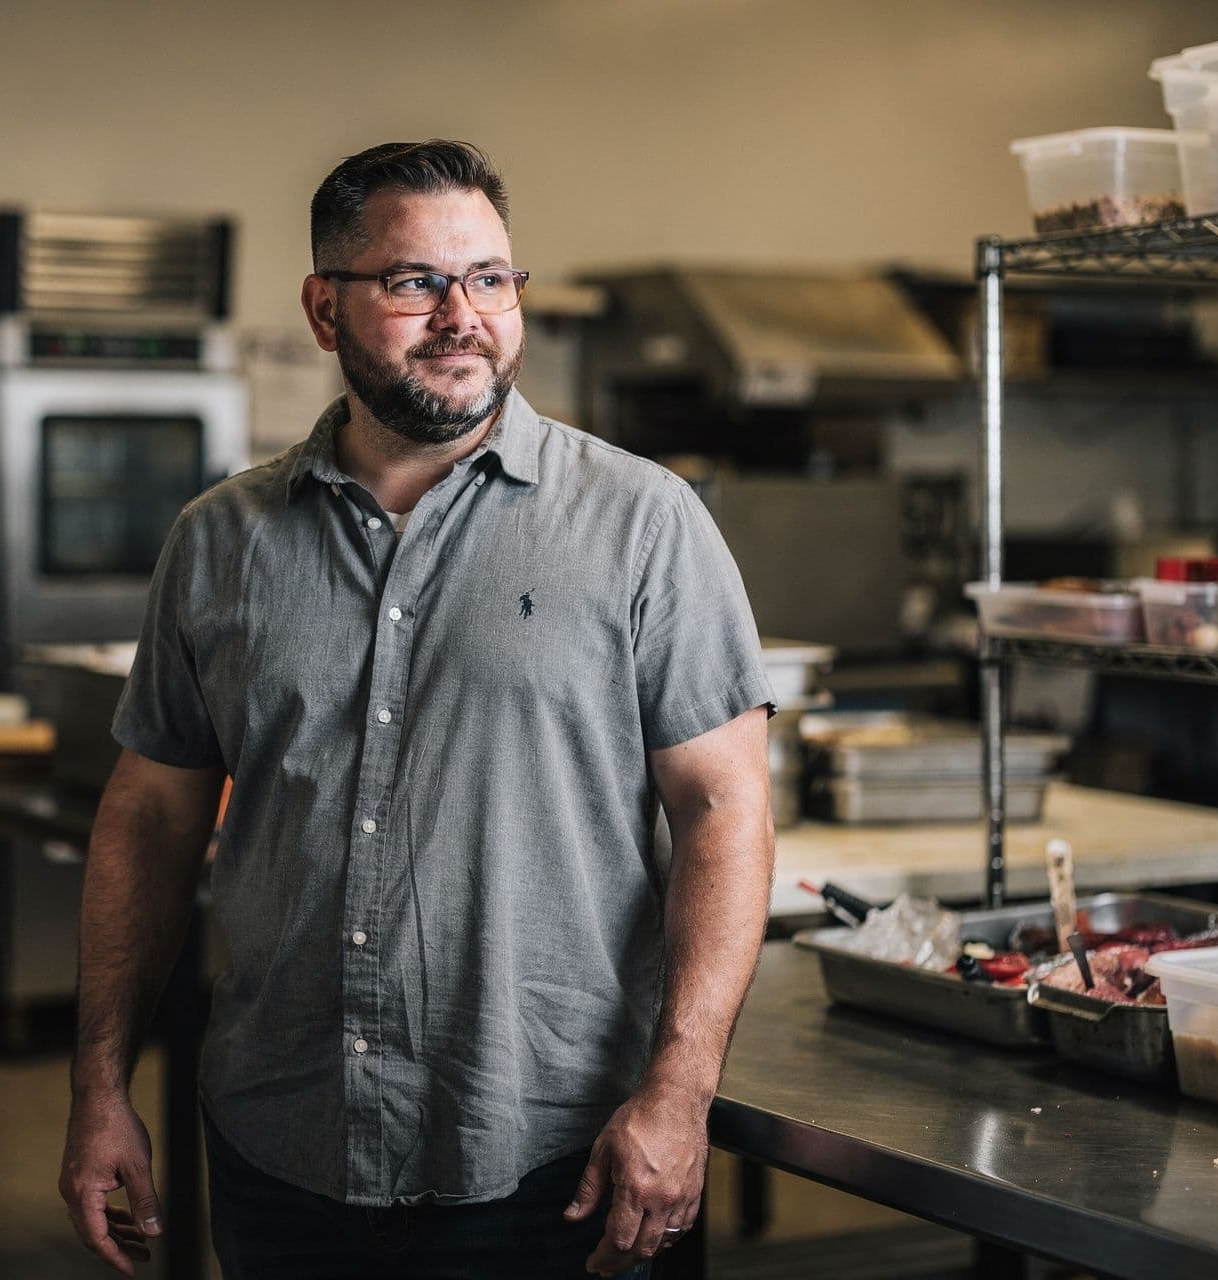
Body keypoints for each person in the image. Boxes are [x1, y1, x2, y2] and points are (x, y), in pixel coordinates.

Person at [58, 139, 776, 1279]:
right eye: (413, 282)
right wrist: (99, 1086)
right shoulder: (221, 541)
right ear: (323, 308)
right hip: (283, 1149)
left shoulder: (645, 523)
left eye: (491, 278)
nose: (463, 315)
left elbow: (726, 811)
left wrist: (680, 1091)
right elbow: (148, 817)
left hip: (562, 1156)